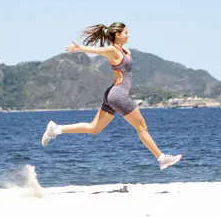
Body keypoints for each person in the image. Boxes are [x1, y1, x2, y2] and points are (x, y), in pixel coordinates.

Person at [40, 22, 183, 170]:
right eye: (126, 32)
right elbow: (98, 50)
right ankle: (162, 158)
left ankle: (56, 129)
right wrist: (80, 48)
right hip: (118, 95)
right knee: (141, 126)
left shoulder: (126, 50)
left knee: (94, 128)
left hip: (113, 93)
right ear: (118, 35)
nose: (128, 35)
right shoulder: (112, 50)